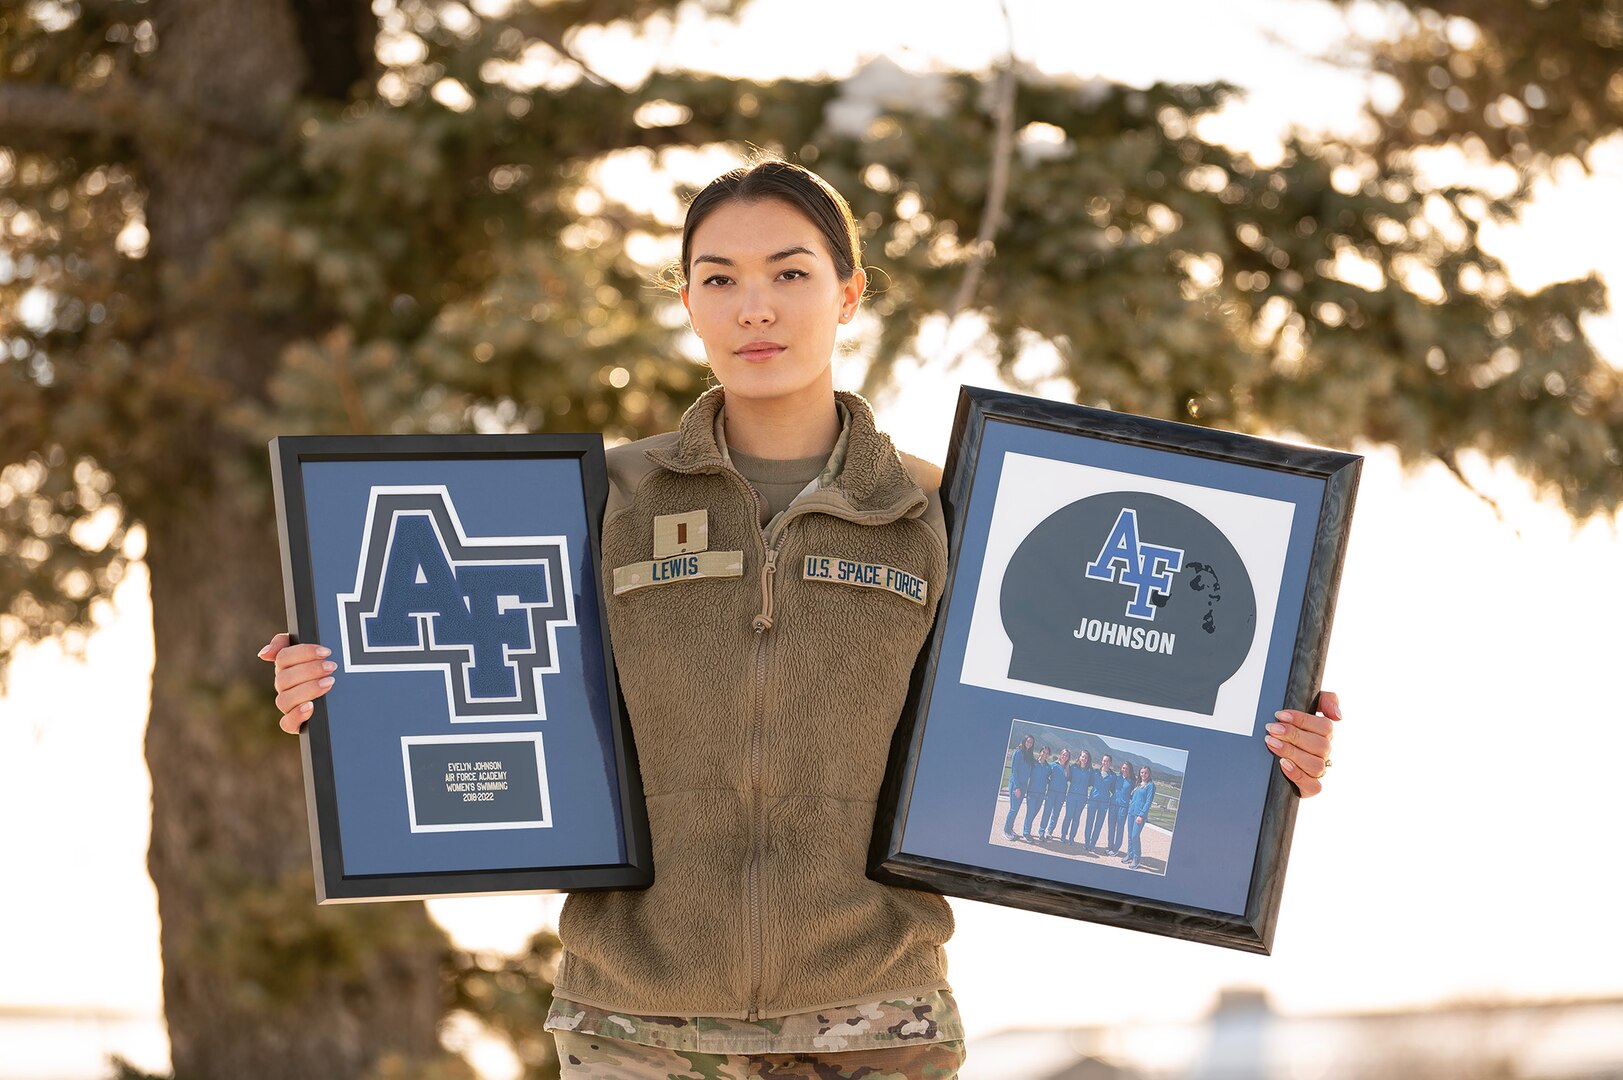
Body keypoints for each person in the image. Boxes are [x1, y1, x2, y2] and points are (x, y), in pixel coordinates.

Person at [261, 159, 1344, 1079]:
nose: (756, 308)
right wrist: (332, 690)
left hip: (877, 1024)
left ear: (850, 291)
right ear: (684, 298)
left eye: (790, 273)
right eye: (718, 279)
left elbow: (1094, 695)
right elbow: (444, 673)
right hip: (635, 1025)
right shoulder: (596, 505)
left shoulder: (944, 513)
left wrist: (1260, 758)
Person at [1003, 734, 1037, 840]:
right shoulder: (1017, 752)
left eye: (1031, 742)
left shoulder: (1029, 755)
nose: (1029, 743)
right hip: (1016, 785)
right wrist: (1017, 787)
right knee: (1013, 809)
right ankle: (1006, 831)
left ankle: (1010, 828)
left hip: (1023, 786)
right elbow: (1014, 771)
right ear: (1024, 741)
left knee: (1016, 809)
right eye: (1028, 741)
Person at [1083, 752, 1115, 855]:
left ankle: (1092, 845)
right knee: (1089, 823)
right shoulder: (1095, 772)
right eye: (1104, 760)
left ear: (1110, 763)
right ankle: (1087, 843)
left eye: (1108, 761)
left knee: (1098, 825)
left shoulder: (1113, 776)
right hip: (1093, 800)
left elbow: (1114, 789)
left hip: (1104, 803)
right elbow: (1089, 782)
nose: (1105, 763)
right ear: (1102, 761)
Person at [1125, 764, 1157, 870]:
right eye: (1142, 772)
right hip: (1131, 813)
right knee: (1130, 835)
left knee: (1135, 836)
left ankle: (1137, 859)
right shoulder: (1138, 784)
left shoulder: (1150, 786)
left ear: (1149, 774)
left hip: (1139, 816)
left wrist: (1141, 815)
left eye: (1145, 772)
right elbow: (1132, 797)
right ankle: (1130, 855)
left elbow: (1148, 802)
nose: (1143, 774)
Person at [1060, 749, 1092, 844]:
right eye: (1083, 756)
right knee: (1068, 816)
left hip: (1082, 797)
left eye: (1086, 757)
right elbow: (1068, 778)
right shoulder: (1072, 767)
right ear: (1079, 757)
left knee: (1076, 818)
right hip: (1071, 796)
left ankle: (1071, 838)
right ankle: (1063, 835)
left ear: (1088, 759)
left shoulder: (1090, 771)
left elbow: (1090, 783)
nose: (1084, 759)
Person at [1021, 745, 1053, 841]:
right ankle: (1026, 833)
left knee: (1033, 814)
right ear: (1040, 752)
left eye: (1047, 753)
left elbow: (1047, 778)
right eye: (1043, 752)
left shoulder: (1048, 767)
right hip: (1031, 793)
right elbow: (1026, 775)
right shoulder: (1033, 763)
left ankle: (1026, 829)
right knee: (1030, 813)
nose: (1045, 754)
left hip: (1041, 794)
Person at [1041, 748, 1071, 840]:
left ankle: (1050, 831)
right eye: (1063, 754)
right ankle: (1041, 831)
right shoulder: (1052, 765)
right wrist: (1050, 783)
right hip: (1051, 792)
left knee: (1056, 814)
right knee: (1047, 812)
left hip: (1061, 794)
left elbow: (1069, 779)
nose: (1065, 757)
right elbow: (1045, 776)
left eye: (1067, 756)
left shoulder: (1068, 768)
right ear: (1060, 755)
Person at [1107, 758, 1134, 856]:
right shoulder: (1116, 777)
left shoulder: (1132, 781)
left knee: (1120, 828)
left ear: (1130, 770)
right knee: (1111, 827)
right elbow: (1111, 788)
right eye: (1123, 768)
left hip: (1123, 807)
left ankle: (1116, 849)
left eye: (1127, 769)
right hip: (1113, 805)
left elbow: (1133, 795)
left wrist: (1127, 801)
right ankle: (1110, 846)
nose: (1125, 770)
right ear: (1121, 768)